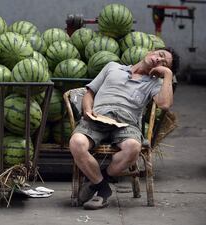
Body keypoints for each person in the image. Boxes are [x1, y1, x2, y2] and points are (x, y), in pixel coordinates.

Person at [69, 48, 179, 210]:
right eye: (159, 55)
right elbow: (89, 92)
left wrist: (168, 75)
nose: (158, 60)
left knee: (133, 147)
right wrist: (86, 110)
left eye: (164, 63)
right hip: (98, 117)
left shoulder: (155, 83)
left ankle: (97, 184)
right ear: (150, 51)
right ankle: (103, 189)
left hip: (126, 124)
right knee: (76, 143)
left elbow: (165, 104)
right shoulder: (112, 67)